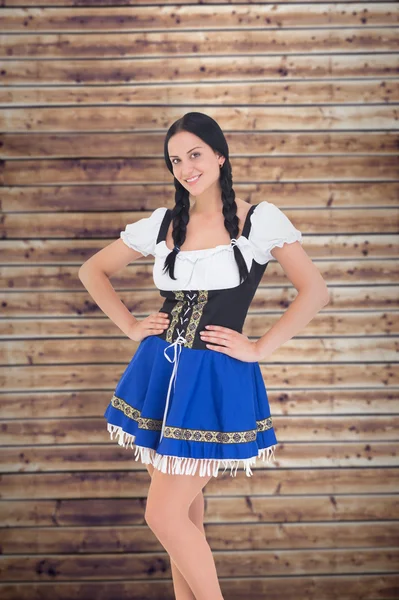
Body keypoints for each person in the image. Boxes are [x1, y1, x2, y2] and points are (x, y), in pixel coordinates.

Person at [78, 111, 330, 600]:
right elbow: (93, 270)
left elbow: (315, 291)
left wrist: (259, 348)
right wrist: (131, 325)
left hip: (214, 378)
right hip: (159, 374)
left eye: (195, 154)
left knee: (163, 515)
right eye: (176, 159)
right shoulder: (165, 223)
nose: (186, 167)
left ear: (219, 154)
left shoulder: (259, 220)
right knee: (185, 515)